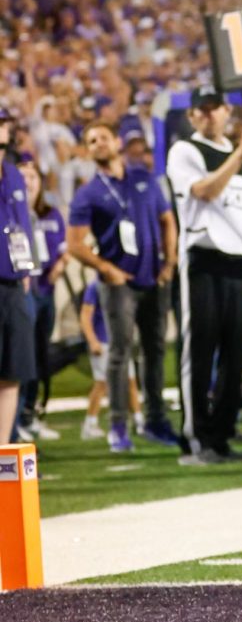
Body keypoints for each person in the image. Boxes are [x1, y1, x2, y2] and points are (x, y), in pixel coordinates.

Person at [165, 86, 242, 465]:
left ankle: (222, 436)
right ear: (192, 116)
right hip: (202, 259)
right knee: (200, 351)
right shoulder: (185, 151)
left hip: (239, 263)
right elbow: (204, 191)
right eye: (201, 111)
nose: (209, 116)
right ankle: (197, 438)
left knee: (235, 354)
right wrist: (241, 152)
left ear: (227, 111)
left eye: (215, 109)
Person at [67, 119, 178, 452]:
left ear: (116, 142)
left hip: (153, 277)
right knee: (120, 352)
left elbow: (167, 220)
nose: (98, 143)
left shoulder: (143, 178)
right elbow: (75, 244)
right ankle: (118, 426)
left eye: (102, 137)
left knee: (155, 351)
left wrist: (169, 262)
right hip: (118, 283)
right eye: (91, 140)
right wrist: (105, 268)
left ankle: (156, 420)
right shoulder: (88, 192)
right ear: (88, 151)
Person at [16, 155, 67, 441]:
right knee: (21, 356)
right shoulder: (11, 212)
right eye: (22, 177)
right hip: (24, 292)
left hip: (46, 290)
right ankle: (16, 416)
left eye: (33, 177)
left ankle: (31, 414)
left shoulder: (50, 214)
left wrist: (60, 264)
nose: (28, 182)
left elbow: (64, 248)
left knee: (39, 354)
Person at [0, 107, 36, 444]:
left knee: (12, 373)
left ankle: (3, 450)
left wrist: (27, 267)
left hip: (13, 282)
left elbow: (21, 223)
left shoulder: (13, 173)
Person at [79, 278, 143, 441]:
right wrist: (92, 341)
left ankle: (138, 420)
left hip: (119, 343)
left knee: (131, 382)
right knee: (102, 383)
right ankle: (90, 423)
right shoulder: (95, 286)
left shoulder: (123, 283)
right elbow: (86, 316)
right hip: (102, 342)